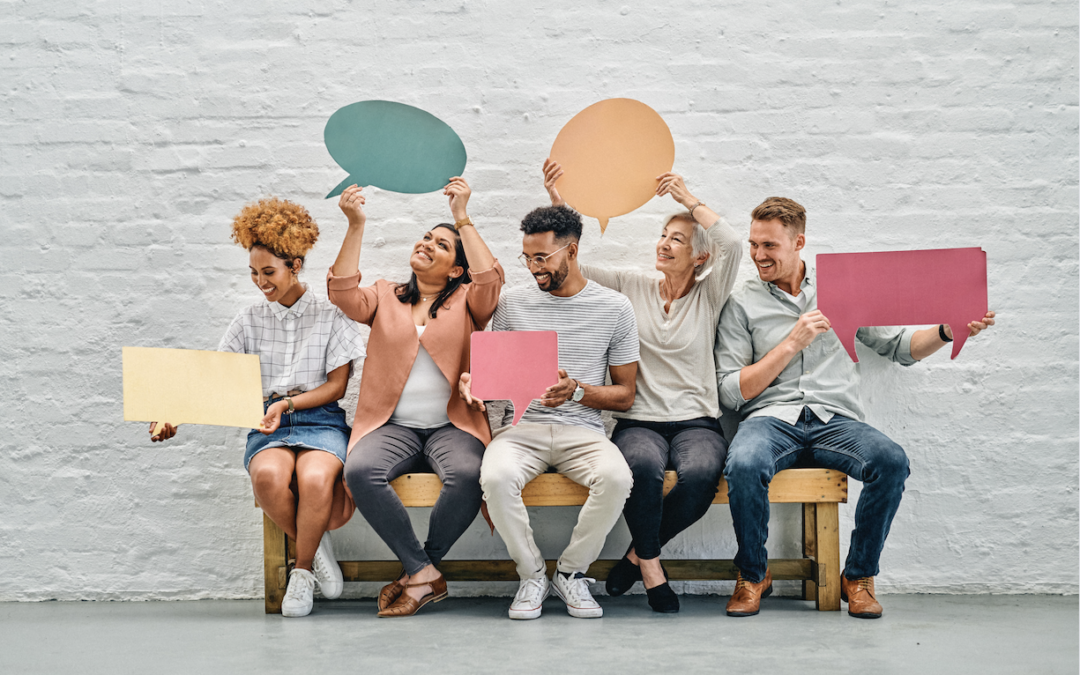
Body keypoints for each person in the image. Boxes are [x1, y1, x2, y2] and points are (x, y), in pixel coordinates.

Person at [714, 196, 996, 618]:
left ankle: (858, 576)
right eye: (754, 244)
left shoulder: (842, 290)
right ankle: (754, 574)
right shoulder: (742, 303)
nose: (757, 255)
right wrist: (792, 342)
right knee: (744, 462)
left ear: (798, 243)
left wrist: (948, 330)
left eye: (769, 246)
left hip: (835, 420)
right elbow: (731, 391)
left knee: (891, 460)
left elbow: (901, 349)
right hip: (771, 419)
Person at [541, 160, 743, 613]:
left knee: (702, 476)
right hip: (638, 421)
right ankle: (652, 566)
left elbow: (732, 243)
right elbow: (575, 268)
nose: (665, 244)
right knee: (640, 471)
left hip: (697, 421)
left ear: (700, 257)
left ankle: (636, 554)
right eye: (664, 235)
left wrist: (688, 199)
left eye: (678, 239)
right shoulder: (632, 286)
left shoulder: (710, 295)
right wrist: (560, 208)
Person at [151, 197, 365, 618]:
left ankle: (301, 572)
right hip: (267, 422)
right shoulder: (247, 320)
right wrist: (173, 412)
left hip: (319, 418)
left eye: (268, 272)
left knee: (317, 479)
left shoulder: (330, 315)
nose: (260, 282)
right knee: (268, 478)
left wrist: (287, 403)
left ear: (295, 265)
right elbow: (215, 379)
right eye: (253, 273)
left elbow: (337, 387)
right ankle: (313, 540)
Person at [327, 178, 503, 618]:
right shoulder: (386, 294)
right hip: (393, 426)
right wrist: (355, 225)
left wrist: (462, 217)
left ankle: (420, 571)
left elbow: (490, 279)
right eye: (427, 236)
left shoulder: (467, 300)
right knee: (361, 471)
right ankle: (424, 573)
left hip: (452, 425)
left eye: (442, 245)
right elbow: (343, 293)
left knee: (468, 473)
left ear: (455, 269)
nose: (428, 243)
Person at [459, 204, 639, 620]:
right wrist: (476, 383)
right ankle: (532, 574)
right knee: (497, 477)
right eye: (527, 257)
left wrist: (576, 392)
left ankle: (572, 574)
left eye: (542, 258)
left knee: (616, 478)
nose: (533, 268)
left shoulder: (615, 308)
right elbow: (493, 378)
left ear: (571, 252)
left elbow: (625, 395)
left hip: (584, 432)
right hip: (522, 430)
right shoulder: (512, 304)